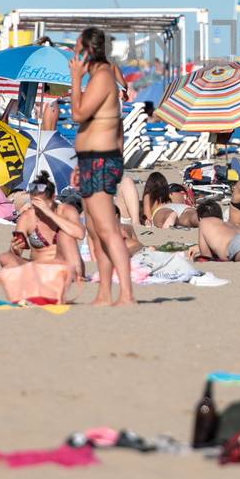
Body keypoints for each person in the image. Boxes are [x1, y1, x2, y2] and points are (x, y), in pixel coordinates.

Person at [70, 27, 135, 306]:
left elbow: (77, 114)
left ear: (88, 51)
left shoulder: (103, 77)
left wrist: (74, 79)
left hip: (99, 160)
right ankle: (105, 292)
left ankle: (127, 294)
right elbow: (108, 123)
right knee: (95, 231)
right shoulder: (100, 78)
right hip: (91, 159)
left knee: (107, 228)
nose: (73, 55)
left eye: (77, 49)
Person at [2, 175, 86, 286]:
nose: (38, 209)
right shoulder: (28, 217)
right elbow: (16, 253)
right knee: (5, 258)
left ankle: (74, 277)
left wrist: (49, 213)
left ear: (53, 197)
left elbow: (80, 234)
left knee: (65, 236)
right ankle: (40, 277)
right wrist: (14, 250)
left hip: (65, 266)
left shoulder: (66, 211)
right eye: (34, 203)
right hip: (38, 268)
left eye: (40, 204)